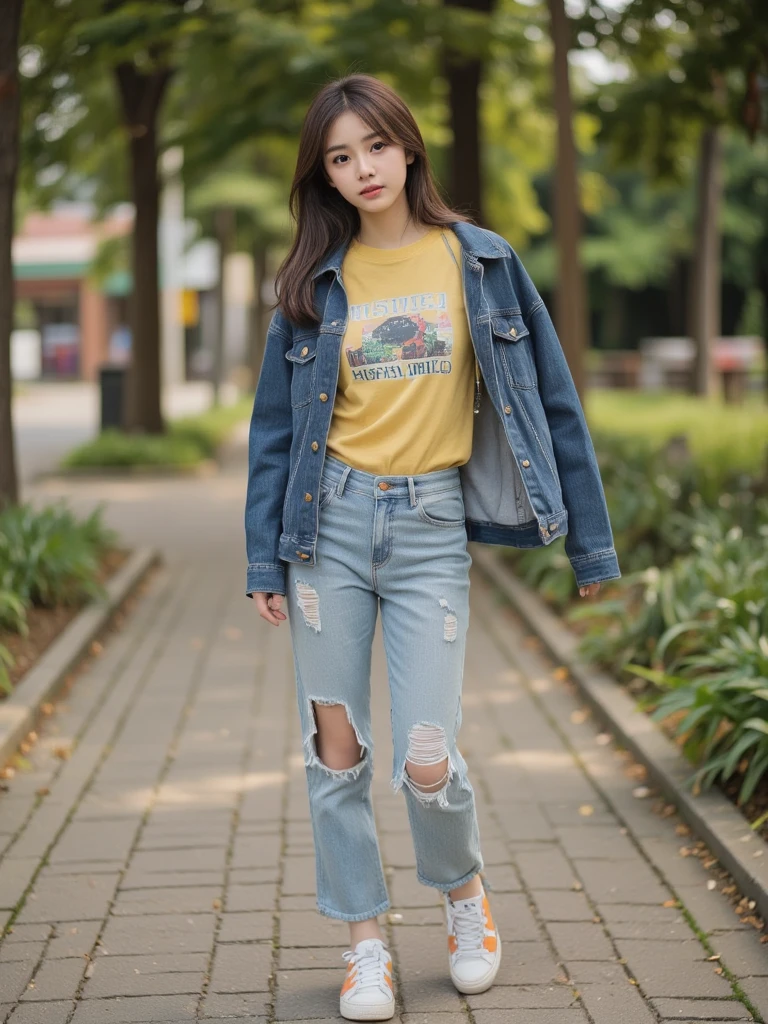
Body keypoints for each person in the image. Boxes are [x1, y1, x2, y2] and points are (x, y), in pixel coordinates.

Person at [244, 73, 620, 1022]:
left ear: (407, 147)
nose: (361, 168)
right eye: (339, 156)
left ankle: (463, 899)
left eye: (374, 145)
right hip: (325, 530)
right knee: (336, 751)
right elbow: (274, 432)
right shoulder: (310, 283)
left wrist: (592, 551)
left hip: (429, 528)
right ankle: (364, 942)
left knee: (423, 750)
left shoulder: (480, 261)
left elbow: (554, 408)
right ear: (323, 176)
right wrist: (262, 559)